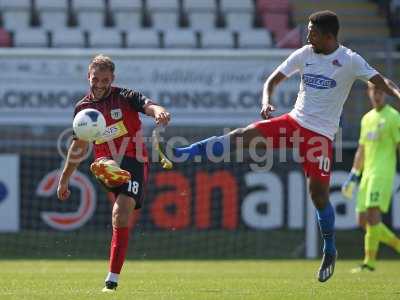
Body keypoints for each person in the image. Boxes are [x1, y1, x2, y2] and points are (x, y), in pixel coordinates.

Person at [166, 11, 400, 282]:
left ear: (328, 36)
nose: (307, 35)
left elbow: (385, 82)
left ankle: (330, 248)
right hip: (293, 122)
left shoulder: (350, 60)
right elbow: (273, 79)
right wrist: (266, 101)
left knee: (319, 195)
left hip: (320, 137)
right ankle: (188, 152)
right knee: (244, 135)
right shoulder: (305, 53)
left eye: (312, 32)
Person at [56, 54, 171, 292]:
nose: (99, 84)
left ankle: (112, 281)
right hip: (104, 160)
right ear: (88, 76)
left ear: (113, 79)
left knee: (120, 212)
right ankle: (108, 169)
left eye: (105, 79)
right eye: (95, 78)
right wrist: (64, 179)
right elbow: (78, 147)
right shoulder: (83, 109)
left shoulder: (126, 97)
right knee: (104, 167)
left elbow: (149, 105)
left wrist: (159, 112)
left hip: (134, 160)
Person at [342, 82, 400, 272]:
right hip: (366, 174)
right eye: (374, 90)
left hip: (383, 173)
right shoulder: (367, 119)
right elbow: (362, 149)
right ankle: (398, 245)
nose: (378, 95)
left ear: (386, 94)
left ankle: (369, 263)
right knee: (362, 220)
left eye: (381, 91)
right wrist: (353, 174)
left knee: (373, 214)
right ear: (369, 92)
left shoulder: (393, 117)